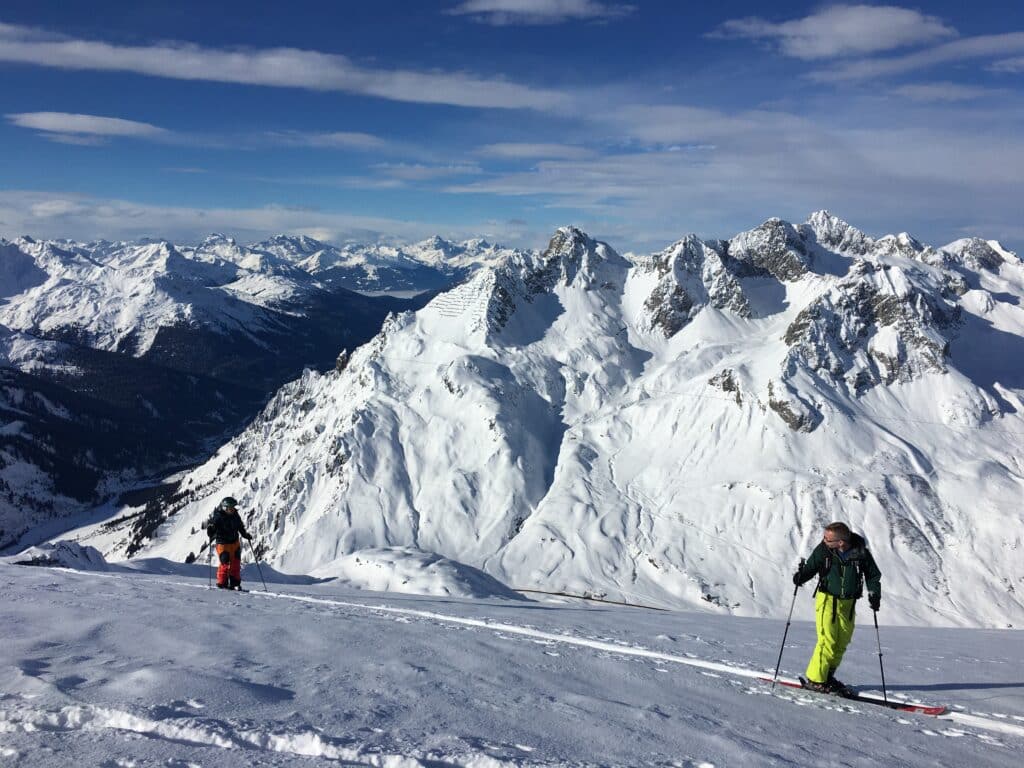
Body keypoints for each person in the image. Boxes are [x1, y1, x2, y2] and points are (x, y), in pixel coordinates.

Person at [792, 521, 881, 694]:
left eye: (828, 539)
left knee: (841, 642)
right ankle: (815, 679)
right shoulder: (823, 551)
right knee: (827, 641)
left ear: (841, 542)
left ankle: (827, 676)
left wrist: (874, 594)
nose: (824, 541)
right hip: (827, 600)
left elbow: (873, 575)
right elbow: (811, 568)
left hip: (848, 603)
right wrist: (800, 577)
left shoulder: (860, 553)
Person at [206, 496, 252, 590]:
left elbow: (240, 526)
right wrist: (211, 530)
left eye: (233, 507)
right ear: (225, 508)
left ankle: (234, 583)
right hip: (223, 544)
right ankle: (222, 583)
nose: (233, 509)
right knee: (225, 564)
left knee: (236, 563)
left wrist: (245, 534)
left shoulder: (235, 515)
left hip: (235, 543)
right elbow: (213, 528)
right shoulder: (218, 517)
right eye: (231, 508)